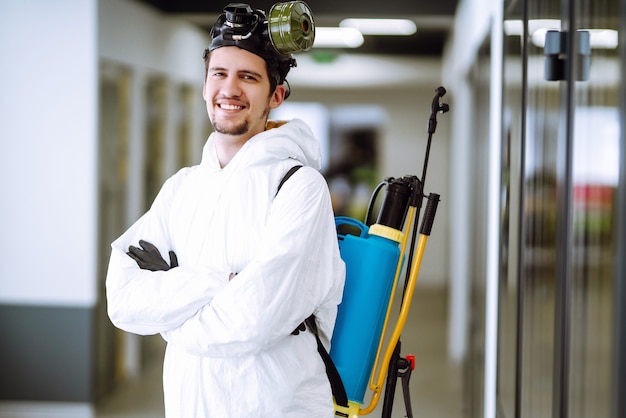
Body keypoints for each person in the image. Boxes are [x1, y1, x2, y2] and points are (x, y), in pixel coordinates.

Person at [105, 3, 346, 417]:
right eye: (220, 73)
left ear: (276, 95)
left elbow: (253, 321)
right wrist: (220, 283)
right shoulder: (181, 189)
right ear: (204, 86)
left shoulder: (298, 188)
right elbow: (123, 299)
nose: (229, 89)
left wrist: (170, 315)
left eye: (248, 77)